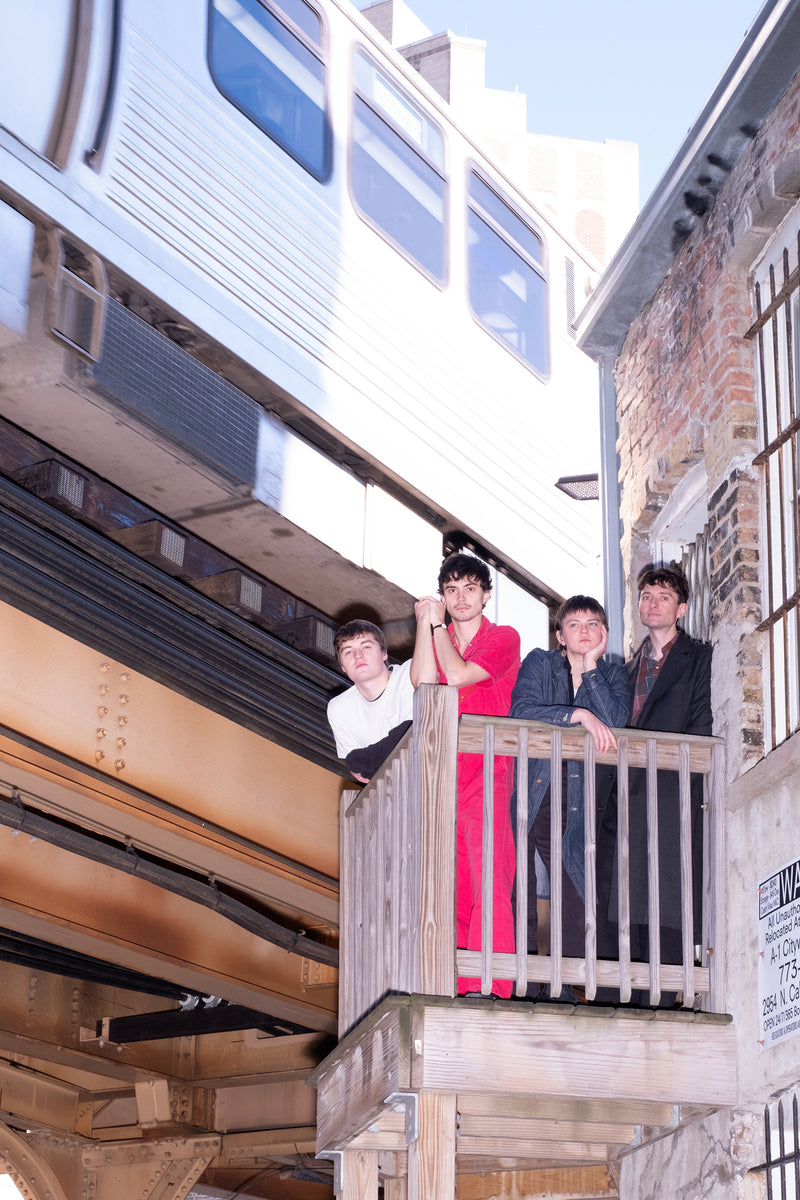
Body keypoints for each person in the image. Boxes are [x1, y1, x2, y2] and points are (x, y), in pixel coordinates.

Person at [596, 565, 713, 999]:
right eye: (645, 595)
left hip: (670, 798)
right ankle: (622, 1003)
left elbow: (700, 724)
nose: (651, 603)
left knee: (668, 907)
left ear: (681, 608)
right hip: (624, 801)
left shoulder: (698, 658)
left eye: (662, 596)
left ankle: (664, 1006)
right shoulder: (624, 672)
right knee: (621, 906)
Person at [411, 553, 520, 998]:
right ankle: (459, 982)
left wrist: (437, 629)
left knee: (489, 874)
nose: (460, 598)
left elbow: (454, 676)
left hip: (487, 768)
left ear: (486, 595)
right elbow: (421, 683)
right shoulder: (438, 637)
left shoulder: (504, 637)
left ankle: (492, 984)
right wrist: (424, 623)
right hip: (443, 772)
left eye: (469, 589)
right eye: (451, 590)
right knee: (452, 880)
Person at [509, 596, 630, 964]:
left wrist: (591, 667)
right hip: (535, 782)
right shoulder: (539, 663)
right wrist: (577, 714)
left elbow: (616, 720)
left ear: (604, 633)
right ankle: (523, 978)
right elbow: (521, 710)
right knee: (521, 880)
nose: (584, 631)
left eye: (593, 624)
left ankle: (566, 981)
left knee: (573, 878)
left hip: (579, 792)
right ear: (560, 635)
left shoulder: (612, 674)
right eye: (574, 625)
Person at [327, 619, 415, 784]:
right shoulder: (338, 708)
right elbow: (358, 769)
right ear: (343, 667)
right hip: (392, 790)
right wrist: (382, 751)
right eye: (348, 652)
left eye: (366, 647)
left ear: (383, 653)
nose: (358, 656)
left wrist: (369, 759)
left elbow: (411, 737)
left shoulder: (409, 673)